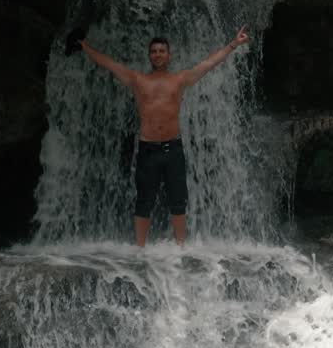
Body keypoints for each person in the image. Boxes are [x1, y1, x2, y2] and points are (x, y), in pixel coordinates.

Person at [75, 26, 252, 246]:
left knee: (178, 200)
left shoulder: (180, 79)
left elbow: (208, 64)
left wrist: (233, 44)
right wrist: (85, 48)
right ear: (149, 56)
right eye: (154, 51)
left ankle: (180, 247)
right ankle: (139, 248)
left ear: (169, 55)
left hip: (173, 149)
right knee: (143, 201)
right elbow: (109, 64)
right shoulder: (136, 79)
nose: (158, 54)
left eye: (161, 51)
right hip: (147, 149)